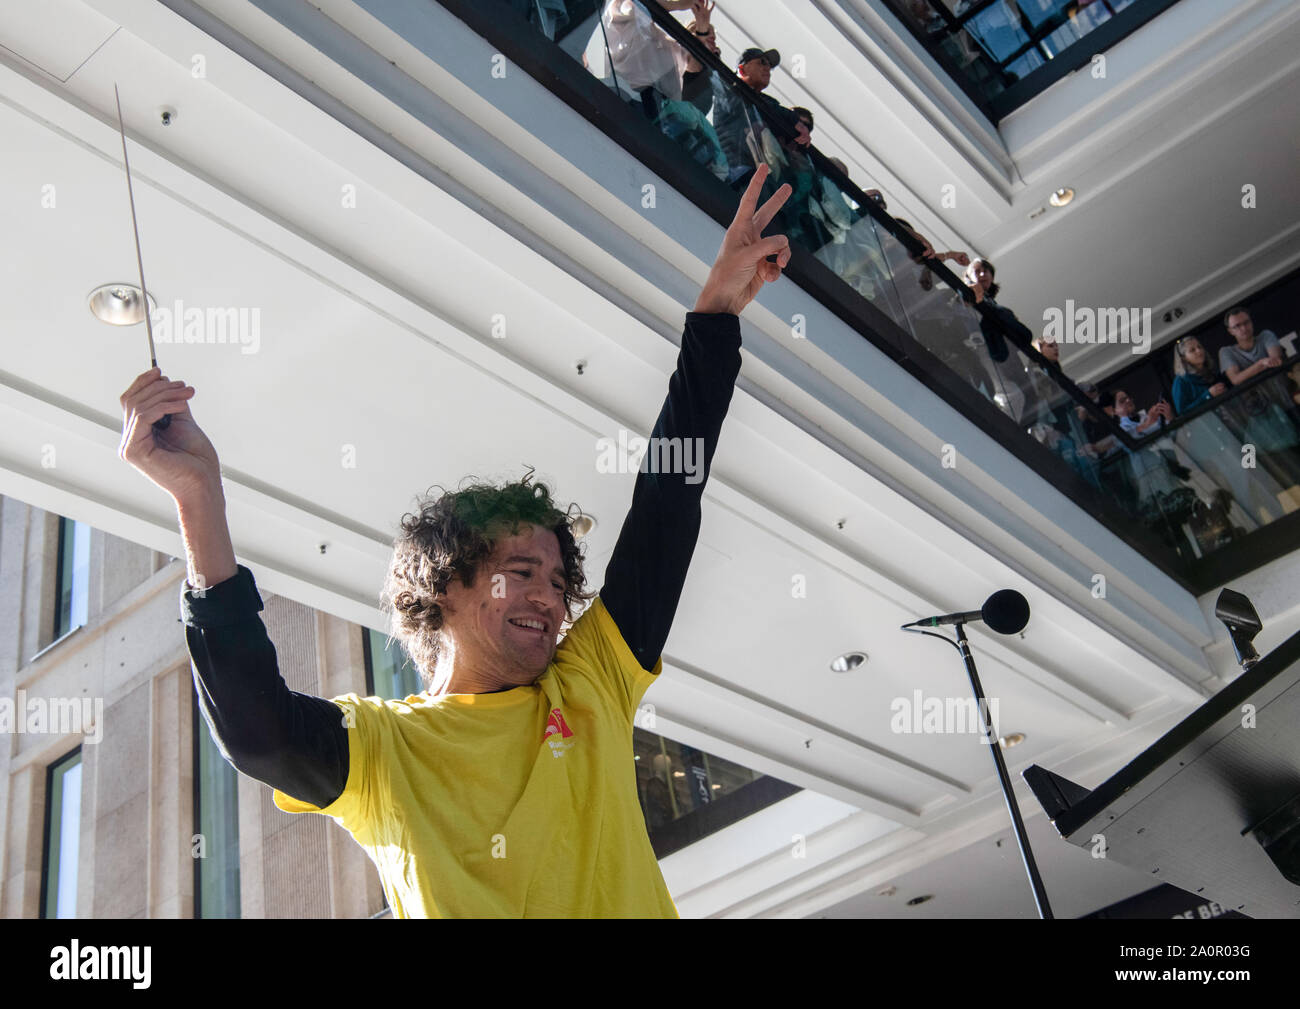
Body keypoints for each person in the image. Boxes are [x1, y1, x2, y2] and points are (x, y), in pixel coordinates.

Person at [117, 166, 794, 919]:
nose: (548, 595)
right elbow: (258, 732)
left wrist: (715, 316)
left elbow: (667, 504)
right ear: (445, 589)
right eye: (520, 571)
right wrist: (199, 496)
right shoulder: (385, 753)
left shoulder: (590, 683)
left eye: (557, 579)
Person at [1171, 335, 1284, 525]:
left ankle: (1279, 515)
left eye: (1199, 347)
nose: (1199, 351)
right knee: (1240, 482)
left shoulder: (1212, 373)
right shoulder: (1182, 382)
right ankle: (1259, 523)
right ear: (1183, 359)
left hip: (1240, 435)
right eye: (1192, 350)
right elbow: (1182, 414)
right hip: (1217, 445)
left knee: (1256, 473)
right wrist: (1208, 395)